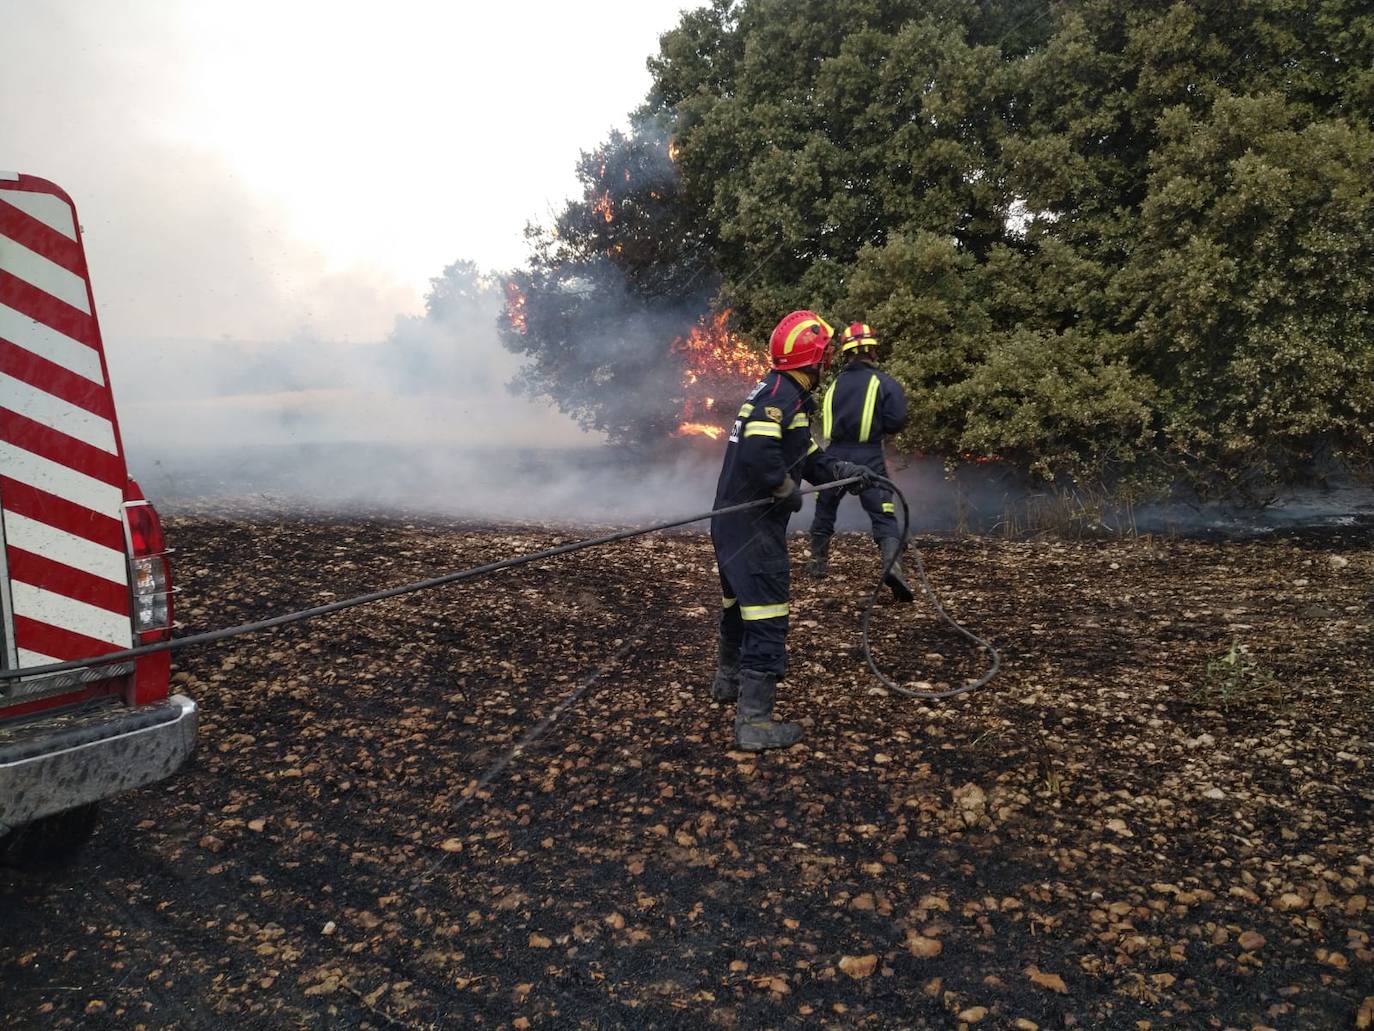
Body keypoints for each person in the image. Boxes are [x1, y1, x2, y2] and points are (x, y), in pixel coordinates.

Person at [710, 310, 878, 752]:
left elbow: (804, 454)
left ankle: (727, 683)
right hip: (752, 527)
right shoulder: (781, 397)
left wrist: (843, 471)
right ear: (817, 359)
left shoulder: (781, 393)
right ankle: (755, 722)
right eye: (824, 356)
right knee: (766, 614)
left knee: (736, 607)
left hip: (728, 523)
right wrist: (783, 486)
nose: (827, 363)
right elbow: (759, 450)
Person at [808, 322, 914, 602]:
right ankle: (893, 567)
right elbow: (895, 422)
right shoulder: (884, 383)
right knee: (883, 510)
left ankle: (817, 564)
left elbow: (824, 421)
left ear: (846, 352)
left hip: (834, 454)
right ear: (872, 350)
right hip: (868, 454)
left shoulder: (833, 386)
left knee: (825, 505)